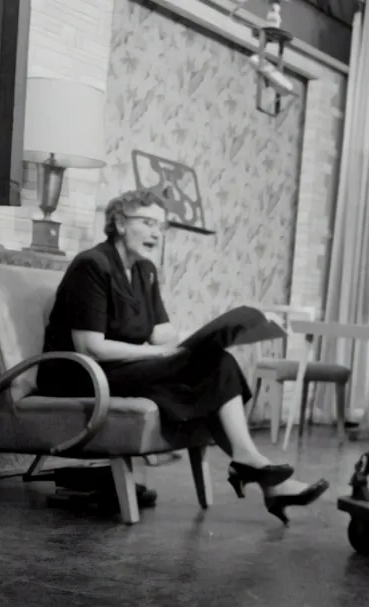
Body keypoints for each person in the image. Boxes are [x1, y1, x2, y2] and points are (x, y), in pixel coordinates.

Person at [35, 190, 329, 524]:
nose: (156, 233)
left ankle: (261, 475)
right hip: (82, 376)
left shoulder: (145, 270)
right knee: (215, 366)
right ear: (118, 223)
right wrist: (158, 353)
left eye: (161, 226)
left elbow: (163, 331)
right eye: (147, 223)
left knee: (215, 362)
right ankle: (253, 467)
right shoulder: (92, 265)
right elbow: (90, 347)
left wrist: (209, 335)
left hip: (125, 369)